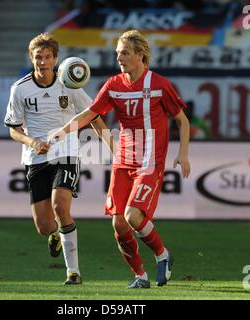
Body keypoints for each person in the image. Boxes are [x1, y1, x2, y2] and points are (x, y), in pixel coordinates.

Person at [49, 30, 191, 288]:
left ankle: (163, 255)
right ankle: (140, 276)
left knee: (133, 216)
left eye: (125, 53)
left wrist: (183, 154)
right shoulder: (114, 84)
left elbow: (182, 120)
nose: (120, 58)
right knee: (119, 223)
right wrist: (61, 132)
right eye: (117, 53)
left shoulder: (159, 84)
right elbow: (90, 114)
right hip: (123, 160)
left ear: (140, 55)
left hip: (150, 160)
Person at [4, 33, 112, 285]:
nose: (42, 62)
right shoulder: (20, 89)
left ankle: (73, 272)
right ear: (32, 59)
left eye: (47, 57)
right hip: (35, 157)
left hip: (66, 151)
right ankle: (55, 235)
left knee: (60, 205)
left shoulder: (69, 85)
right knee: (44, 226)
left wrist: (111, 145)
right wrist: (32, 142)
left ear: (55, 59)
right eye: (38, 57)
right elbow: (13, 128)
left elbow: (93, 115)